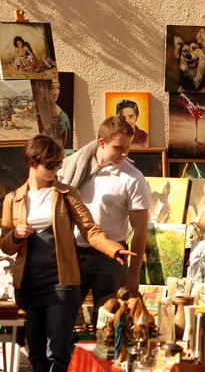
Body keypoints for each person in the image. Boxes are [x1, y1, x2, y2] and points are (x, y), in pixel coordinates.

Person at [0, 134, 135, 372]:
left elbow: (90, 229)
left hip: (61, 282)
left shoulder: (67, 194)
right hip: (28, 284)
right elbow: (6, 245)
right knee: (36, 353)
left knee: (57, 351)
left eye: (58, 164)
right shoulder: (14, 199)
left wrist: (114, 248)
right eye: (50, 165)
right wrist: (16, 235)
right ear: (32, 162)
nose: (55, 170)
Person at [58, 116, 150, 328]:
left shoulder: (133, 178)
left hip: (112, 259)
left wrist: (133, 274)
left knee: (109, 323)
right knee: (63, 318)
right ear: (101, 143)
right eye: (118, 147)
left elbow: (140, 230)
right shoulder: (74, 168)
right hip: (74, 253)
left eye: (128, 147)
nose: (125, 153)